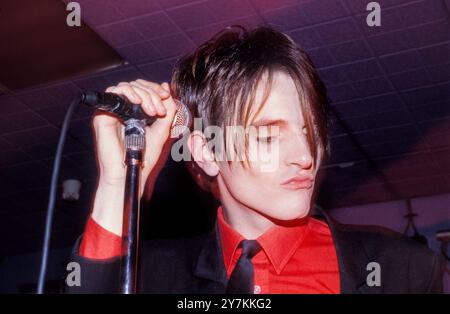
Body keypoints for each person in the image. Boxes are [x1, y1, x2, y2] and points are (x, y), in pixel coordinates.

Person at [66, 26, 444, 294]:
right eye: (267, 134)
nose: (304, 156)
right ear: (207, 152)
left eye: (309, 132)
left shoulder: (403, 270)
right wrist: (117, 183)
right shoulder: (152, 275)